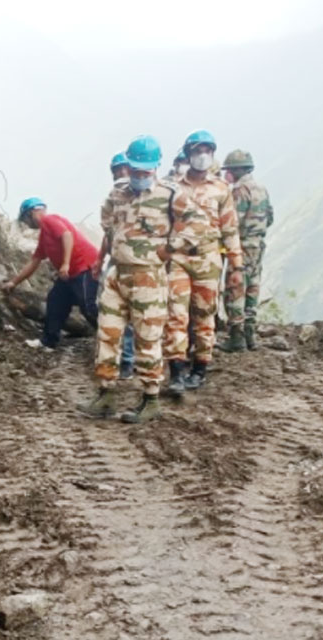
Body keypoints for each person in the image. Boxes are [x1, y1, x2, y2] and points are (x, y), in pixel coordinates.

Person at [80, 135, 197, 424]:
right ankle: (106, 393)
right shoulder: (118, 192)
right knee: (107, 334)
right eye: (135, 170)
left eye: (145, 171)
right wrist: (107, 253)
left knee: (148, 338)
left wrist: (166, 250)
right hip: (117, 274)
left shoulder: (171, 195)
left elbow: (195, 230)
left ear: (155, 167)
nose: (139, 175)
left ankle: (151, 398)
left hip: (148, 278)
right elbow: (107, 223)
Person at [163, 130, 244, 392]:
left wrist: (236, 266)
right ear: (188, 154)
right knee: (176, 315)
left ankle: (199, 369)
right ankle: (176, 371)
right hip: (178, 258)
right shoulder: (172, 187)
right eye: (198, 151)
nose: (202, 156)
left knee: (204, 315)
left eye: (207, 151)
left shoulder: (221, 189)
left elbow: (230, 229)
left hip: (208, 259)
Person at [3, 198, 101, 349]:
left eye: (25, 219)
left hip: (85, 267)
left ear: (31, 213)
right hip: (69, 274)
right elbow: (34, 262)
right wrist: (14, 282)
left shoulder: (49, 220)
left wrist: (65, 264)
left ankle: (113, 338)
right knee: (55, 301)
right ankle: (48, 341)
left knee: (87, 306)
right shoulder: (44, 236)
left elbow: (67, 235)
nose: (26, 224)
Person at [221, 149, 274, 351]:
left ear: (236, 170)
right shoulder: (262, 188)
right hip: (258, 245)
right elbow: (269, 218)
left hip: (241, 246)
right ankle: (250, 335)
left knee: (235, 289)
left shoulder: (239, 191)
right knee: (253, 287)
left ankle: (237, 337)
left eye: (229, 170)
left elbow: (233, 221)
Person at [104, 153, 135, 378]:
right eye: (118, 170)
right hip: (116, 262)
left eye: (125, 168)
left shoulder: (147, 194)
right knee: (111, 310)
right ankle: (116, 360)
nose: (122, 173)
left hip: (141, 264)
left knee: (136, 314)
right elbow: (109, 232)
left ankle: (129, 360)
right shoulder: (112, 198)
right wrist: (100, 260)